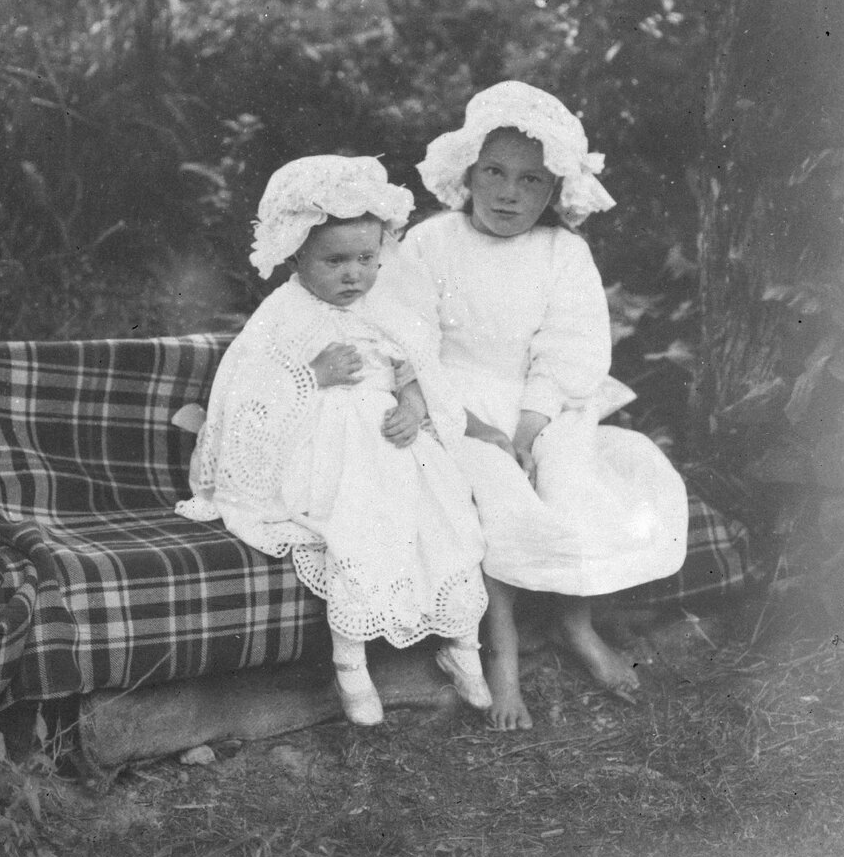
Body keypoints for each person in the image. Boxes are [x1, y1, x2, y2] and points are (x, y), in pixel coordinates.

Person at [386, 82, 689, 731]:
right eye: (493, 172)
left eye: (531, 181)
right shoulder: (432, 243)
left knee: (569, 478)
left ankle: (576, 625)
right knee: (498, 491)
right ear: (467, 172)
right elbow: (410, 345)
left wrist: (528, 428)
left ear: (554, 192)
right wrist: (483, 431)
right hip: (454, 403)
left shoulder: (562, 253)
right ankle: (502, 655)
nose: (508, 193)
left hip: (540, 402)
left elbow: (568, 350)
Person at [177, 155, 493, 725]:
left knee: (447, 516)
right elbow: (249, 388)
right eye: (335, 261)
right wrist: (311, 375)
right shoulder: (284, 313)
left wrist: (412, 406)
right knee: (353, 529)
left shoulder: (385, 306)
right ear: (296, 256)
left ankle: (463, 645)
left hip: (391, 443)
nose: (354, 275)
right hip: (321, 449)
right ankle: (351, 664)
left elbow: (415, 369)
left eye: (366, 259)